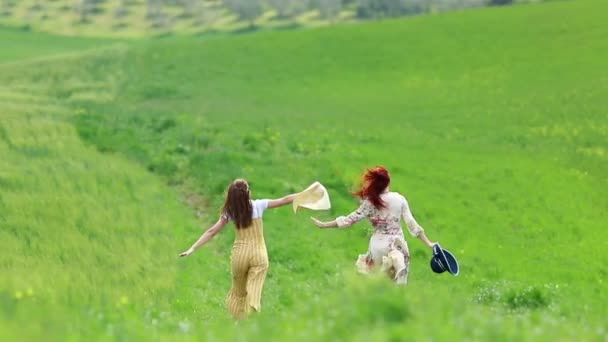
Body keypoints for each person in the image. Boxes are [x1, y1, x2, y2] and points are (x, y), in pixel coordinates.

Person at [179, 179, 299, 319]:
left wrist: (193, 248)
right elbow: (284, 200)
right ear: (248, 193)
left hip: (240, 256)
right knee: (254, 289)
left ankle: (239, 323)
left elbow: (211, 231)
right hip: (258, 254)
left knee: (239, 292)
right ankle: (252, 312)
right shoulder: (258, 205)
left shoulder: (230, 212)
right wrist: (305, 194)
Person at [311, 166, 436, 285]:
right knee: (398, 259)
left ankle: (385, 285)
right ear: (388, 182)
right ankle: (398, 265)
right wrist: (429, 243)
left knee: (379, 280)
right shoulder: (399, 199)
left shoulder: (371, 202)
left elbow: (349, 220)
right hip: (396, 241)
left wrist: (324, 225)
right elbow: (412, 224)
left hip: (377, 245)